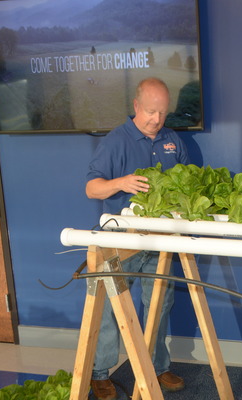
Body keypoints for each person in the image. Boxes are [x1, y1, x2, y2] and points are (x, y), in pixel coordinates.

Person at [86, 77, 190, 399]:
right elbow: (91, 188)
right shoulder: (116, 141)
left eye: (162, 113)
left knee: (161, 303)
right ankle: (100, 373)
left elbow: (187, 182)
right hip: (119, 240)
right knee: (107, 309)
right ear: (135, 106)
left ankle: (157, 366)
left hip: (160, 240)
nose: (156, 119)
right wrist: (122, 182)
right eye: (150, 112)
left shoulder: (173, 140)